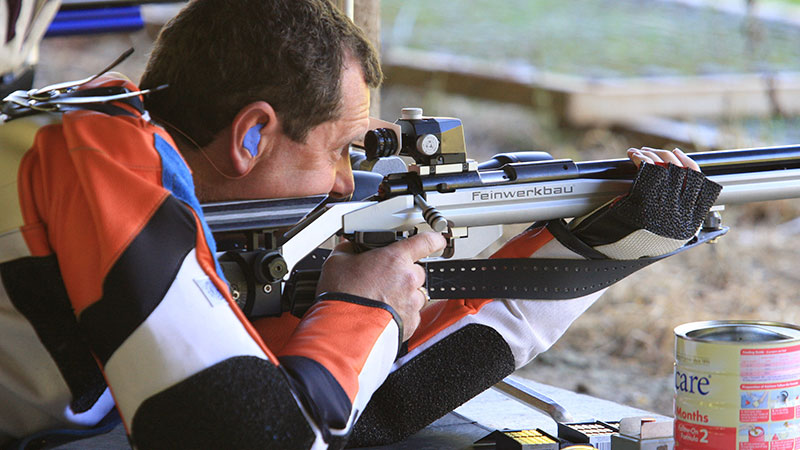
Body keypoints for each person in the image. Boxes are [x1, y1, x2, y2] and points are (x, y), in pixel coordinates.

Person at [0, 0, 721, 448]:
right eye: (342, 149)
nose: (350, 183)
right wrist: (362, 306)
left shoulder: (89, 136)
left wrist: (606, 246)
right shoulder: (94, 163)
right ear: (251, 136)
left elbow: (372, 405)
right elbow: (269, 437)